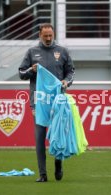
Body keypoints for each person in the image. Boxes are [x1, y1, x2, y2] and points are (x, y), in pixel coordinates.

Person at [18, 23, 75, 182]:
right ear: (39, 35)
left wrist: (66, 81)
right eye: (45, 36)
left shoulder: (62, 51)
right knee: (40, 139)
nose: (49, 38)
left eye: (51, 35)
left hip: (58, 101)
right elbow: (21, 73)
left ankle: (58, 163)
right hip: (39, 102)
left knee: (57, 137)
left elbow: (71, 72)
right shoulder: (32, 52)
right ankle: (42, 174)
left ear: (53, 34)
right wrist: (31, 70)